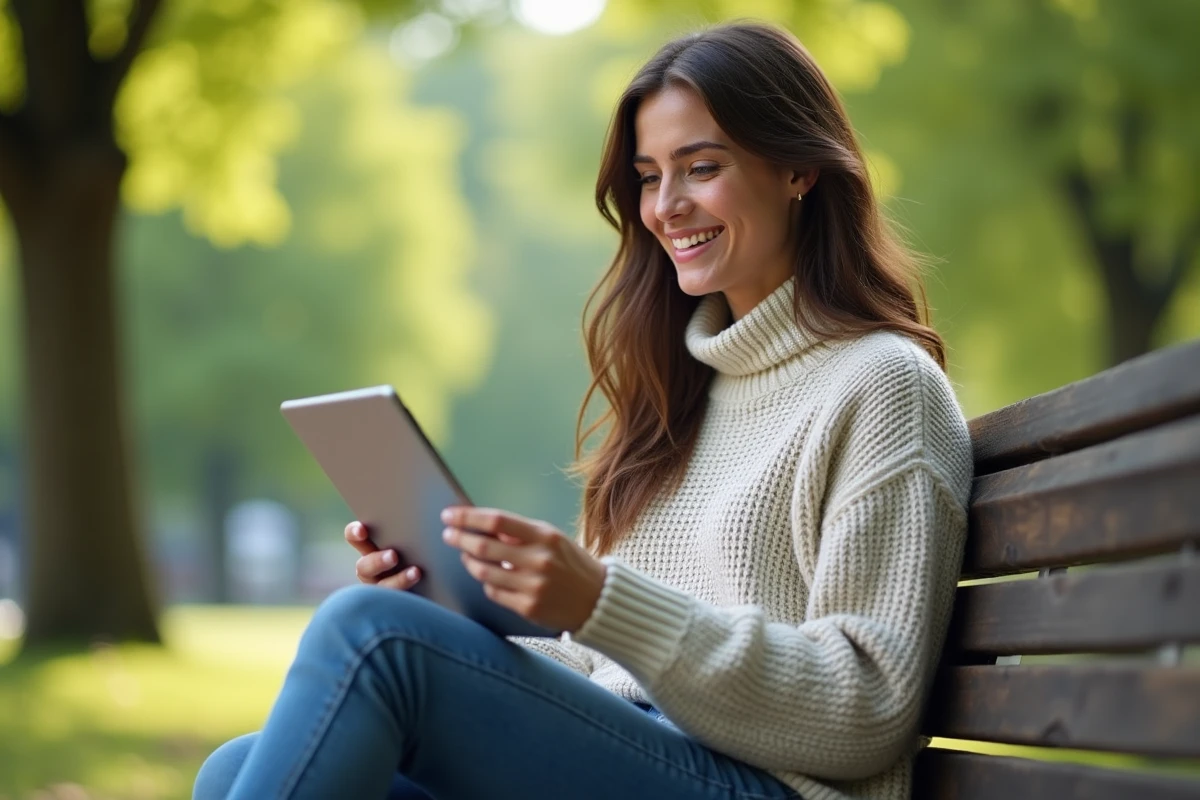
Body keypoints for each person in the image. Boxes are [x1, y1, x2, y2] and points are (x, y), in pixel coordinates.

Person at [194, 20, 972, 800]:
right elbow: (606, 669)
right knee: (237, 762)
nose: (667, 206)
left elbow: (868, 704)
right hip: (647, 763)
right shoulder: (682, 399)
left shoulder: (881, 386)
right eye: (648, 176)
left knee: (369, 637)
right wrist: (463, 611)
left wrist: (603, 601)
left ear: (799, 169)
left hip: (773, 788)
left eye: (701, 167)